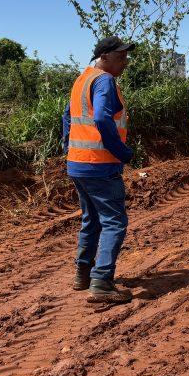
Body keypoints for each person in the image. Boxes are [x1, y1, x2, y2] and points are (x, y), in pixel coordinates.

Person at [62, 35, 135, 304]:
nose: (125, 62)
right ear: (104, 57)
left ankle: (83, 273)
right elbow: (103, 117)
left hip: (79, 163)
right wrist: (121, 152)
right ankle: (102, 281)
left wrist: (70, 149)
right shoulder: (104, 80)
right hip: (100, 164)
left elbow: (67, 118)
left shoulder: (83, 79)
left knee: (91, 219)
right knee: (114, 222)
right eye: (120, 57)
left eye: (126, 57)